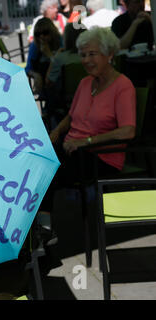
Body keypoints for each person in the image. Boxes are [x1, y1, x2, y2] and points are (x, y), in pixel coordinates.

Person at [37, 27, 136, 241]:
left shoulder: (123, 86)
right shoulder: (85, 83)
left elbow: (128, 130)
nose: (86, 60)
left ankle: (43, 232)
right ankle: (39, 229)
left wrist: (86, 141)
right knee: (34, 159)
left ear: (109, 54)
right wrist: (55, 132)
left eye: (93, 54)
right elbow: (72, 116)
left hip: (102, 156)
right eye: (83, 55)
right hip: (74, 149)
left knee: (45, 171)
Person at [25, 17, 62, 95]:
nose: (41, 37)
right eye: (38, 34)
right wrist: (35, 75)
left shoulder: (60, 42)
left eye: (45, 33)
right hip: (44, 87)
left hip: (60, 82)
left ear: (52, 32)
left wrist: (49, 55)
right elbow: (28, 68)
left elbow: (62, 67)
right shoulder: (35, 45)